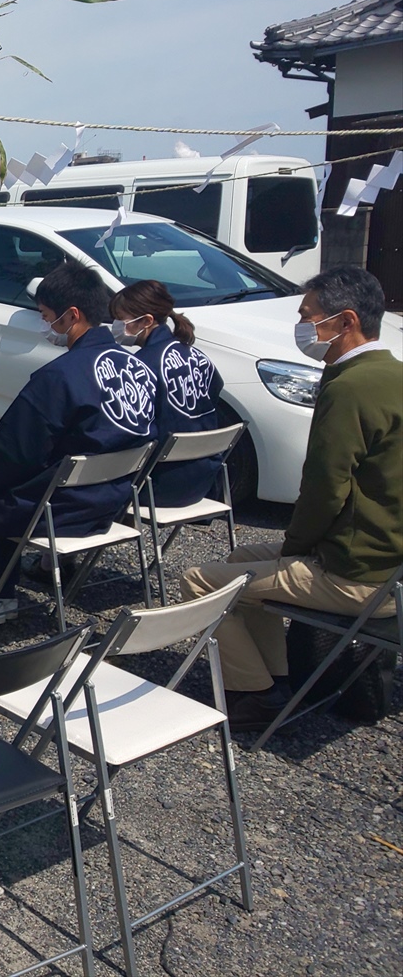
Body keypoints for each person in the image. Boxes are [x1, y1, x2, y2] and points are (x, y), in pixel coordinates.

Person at [180, 266, 401, 731]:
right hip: (386, 564)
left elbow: (325, 488)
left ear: (344, 322)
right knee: (242, 557)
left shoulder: (348, 387)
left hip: (353, 572)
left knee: (201, 581)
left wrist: (296, 547)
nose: (301, 327)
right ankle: (278, 681)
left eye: (307, 316)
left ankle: (257, 695)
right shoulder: (391, 374)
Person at [0, 260, 157, 624]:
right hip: (112, 500)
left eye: (45, 315)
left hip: (60, 509)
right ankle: (2, 591)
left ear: (71, 315)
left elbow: (10, 452)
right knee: (16, 487)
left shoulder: (61, 376)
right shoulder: (137, 367)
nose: (44, 325)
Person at [109, 279, 225, 506]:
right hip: (204, 480)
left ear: (146, 321)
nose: (115, 325)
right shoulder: (198, 356)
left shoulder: (140, 365)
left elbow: (130, 429)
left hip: (158, 485)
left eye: (120, 319)